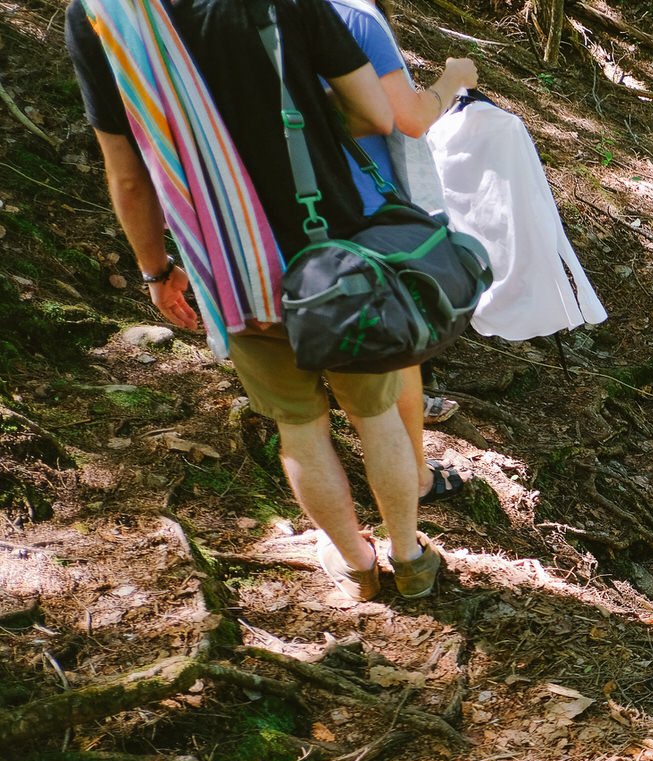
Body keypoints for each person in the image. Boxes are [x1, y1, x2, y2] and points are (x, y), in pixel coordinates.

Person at [66, 0, 443, 600]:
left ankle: (354, 566)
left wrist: (156, 270)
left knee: (300, 426)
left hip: (232, 268)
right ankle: (410, 558)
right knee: (375, 414)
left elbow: (129, 174)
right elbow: (375, 114)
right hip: (333, 251)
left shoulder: (102, 16)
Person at [326, 0, 475, 506]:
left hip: (291, 206)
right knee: (397, 347)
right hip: (368, 206)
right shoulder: (356, 17)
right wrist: (452, 78)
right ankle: (413, 477)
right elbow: (406, 118)